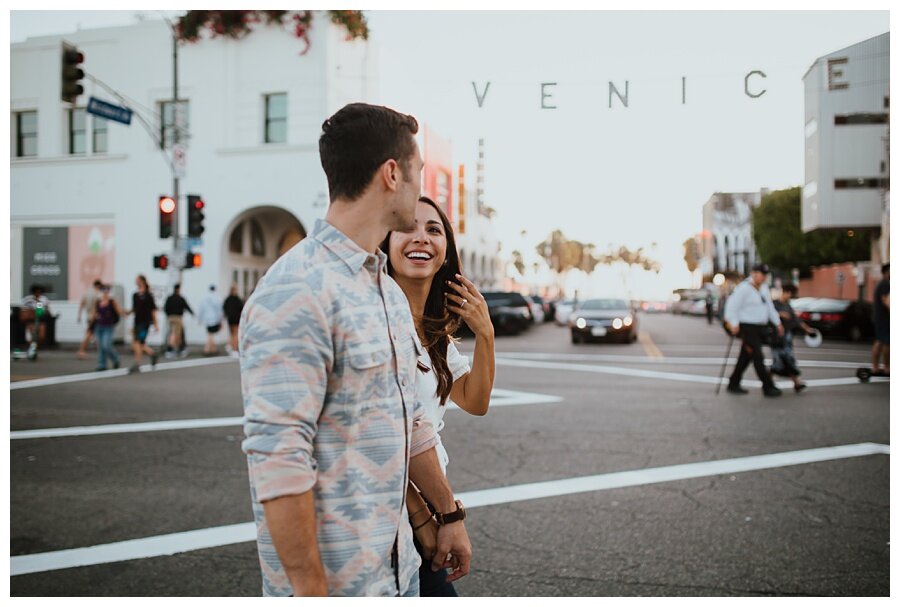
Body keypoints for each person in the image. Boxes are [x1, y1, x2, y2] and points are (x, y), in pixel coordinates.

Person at [240, 103, 471, 597]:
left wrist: (447, 513)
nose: (420, 187)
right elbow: (278, 462)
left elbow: (411, 422)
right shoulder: (295, 290)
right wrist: (310, 591)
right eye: (417, 172)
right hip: (338, 587)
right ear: (392, 174)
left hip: (401, 574)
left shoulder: (383, 289)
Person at [382, 195, 495, 596]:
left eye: (434, 229)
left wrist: (485, 334)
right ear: (385, 241)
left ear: (446, 249)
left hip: (426, 503)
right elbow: (388, 432)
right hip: (396, 510)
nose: (421, 238)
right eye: (408, 227)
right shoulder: (376, 320)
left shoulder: (434, 334)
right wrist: (429, 515)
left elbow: (475, 401)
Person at [723, 264, 784, 397]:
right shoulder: (743, 288)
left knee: (745, 357)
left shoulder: (763, 288)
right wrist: (733, 323)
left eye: (764, 274)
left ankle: (733, 382)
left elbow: (769, 307)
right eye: (761, 274)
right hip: (747, 328)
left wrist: (778, 323)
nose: (763, 277)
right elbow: (731, 307)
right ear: (754, 273)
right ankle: (768, 387)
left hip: (759, 328)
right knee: (758, 356)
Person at [770, 283, 814, 393]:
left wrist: (807, 329)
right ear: (785, 292)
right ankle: (769, 382)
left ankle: (796, 383)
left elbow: (796, 320)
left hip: (786, 337)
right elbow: (767, 314)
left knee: (787, 359)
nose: (789, 296)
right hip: (776, 336)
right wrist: (780, 314)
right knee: (779, 361)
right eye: (789, 293)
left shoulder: (788, 306)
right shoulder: (774, 304)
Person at [127, 274, 158, 373]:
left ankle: (137, 363)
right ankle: (152, 354)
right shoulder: (135, 295)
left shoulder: (148, 296)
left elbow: (153, 310)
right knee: (140, 344)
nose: (136, 281)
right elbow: (135, 308)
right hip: (137, 321)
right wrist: (128, 312)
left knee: (138, 342)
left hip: (145, 322)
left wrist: (156, 323)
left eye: (138, 280)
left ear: (142, 281)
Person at [93, 285, 123, 371]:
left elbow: (119, 311)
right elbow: (94, 313)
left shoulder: (112, 301)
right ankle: (102, 364)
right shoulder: (98, 301)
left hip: (108, 326)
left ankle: (116, 359)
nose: (105, 293)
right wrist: (91, 323)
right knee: (101, 346)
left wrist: (124, 312)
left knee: (106, 345)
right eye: (104, 291)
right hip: (99, 326)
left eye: (107, 291)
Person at [20, 284, 52, 359]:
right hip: (31, 320)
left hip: (40, 320)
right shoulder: (28, 299)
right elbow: (24, 310)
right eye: (36, 292)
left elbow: (43, 311)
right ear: (33, 292)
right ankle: (32, 351)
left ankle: (35, 349)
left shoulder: (43, 299)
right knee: (32, 336)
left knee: (41, 336)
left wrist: (46, 311)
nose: (38, 294)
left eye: (40, 292)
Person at [163, 283, 194, 358]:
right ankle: (170, 349)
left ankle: (179, 348)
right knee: (175, 333)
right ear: (178, 289)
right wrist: (192, 313)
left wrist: (168, 315)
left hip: (170, 318)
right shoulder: (180, 298)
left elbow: (165, 308)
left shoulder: (169, 298)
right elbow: (186, 306)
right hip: (177, 317)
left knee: (175, 333)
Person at [76, 279, 103, 359]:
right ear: (98, 285)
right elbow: (97, 306)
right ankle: (81, 350)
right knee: (91, 333)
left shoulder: (87, 293)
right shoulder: (98, 294)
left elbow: (81, 304)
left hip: (89, 315)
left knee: (92, 333)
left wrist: (79, 315)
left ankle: (100, 351)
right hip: (96, 316)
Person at [871, 263, 889, 376]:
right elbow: (885, 301)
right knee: (887, 342)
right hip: (885, 318)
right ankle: (887, 367)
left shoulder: (881, 284)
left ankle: (875, 367)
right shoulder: (885, 284)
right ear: (886, 272)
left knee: (880, 341)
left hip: (880, 317)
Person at [197, 284, 224, 356]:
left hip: (206, 319)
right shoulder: (217, 298)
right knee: (211, 334)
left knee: (210, 333)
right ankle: (208, 349)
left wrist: (200, 319)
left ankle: (212, 349)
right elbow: (219, 310)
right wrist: (220, 319)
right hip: (214, 318)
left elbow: (201, 309)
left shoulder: (204, 298)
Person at [222, 284, 244, 358]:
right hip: (236, 319)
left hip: (230, 319)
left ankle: (231, 346)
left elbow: (224, 308)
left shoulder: (227, 299)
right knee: (235, 334)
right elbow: (242, 308)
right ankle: (234, 349)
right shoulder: (237, 299)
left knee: (232, 334)